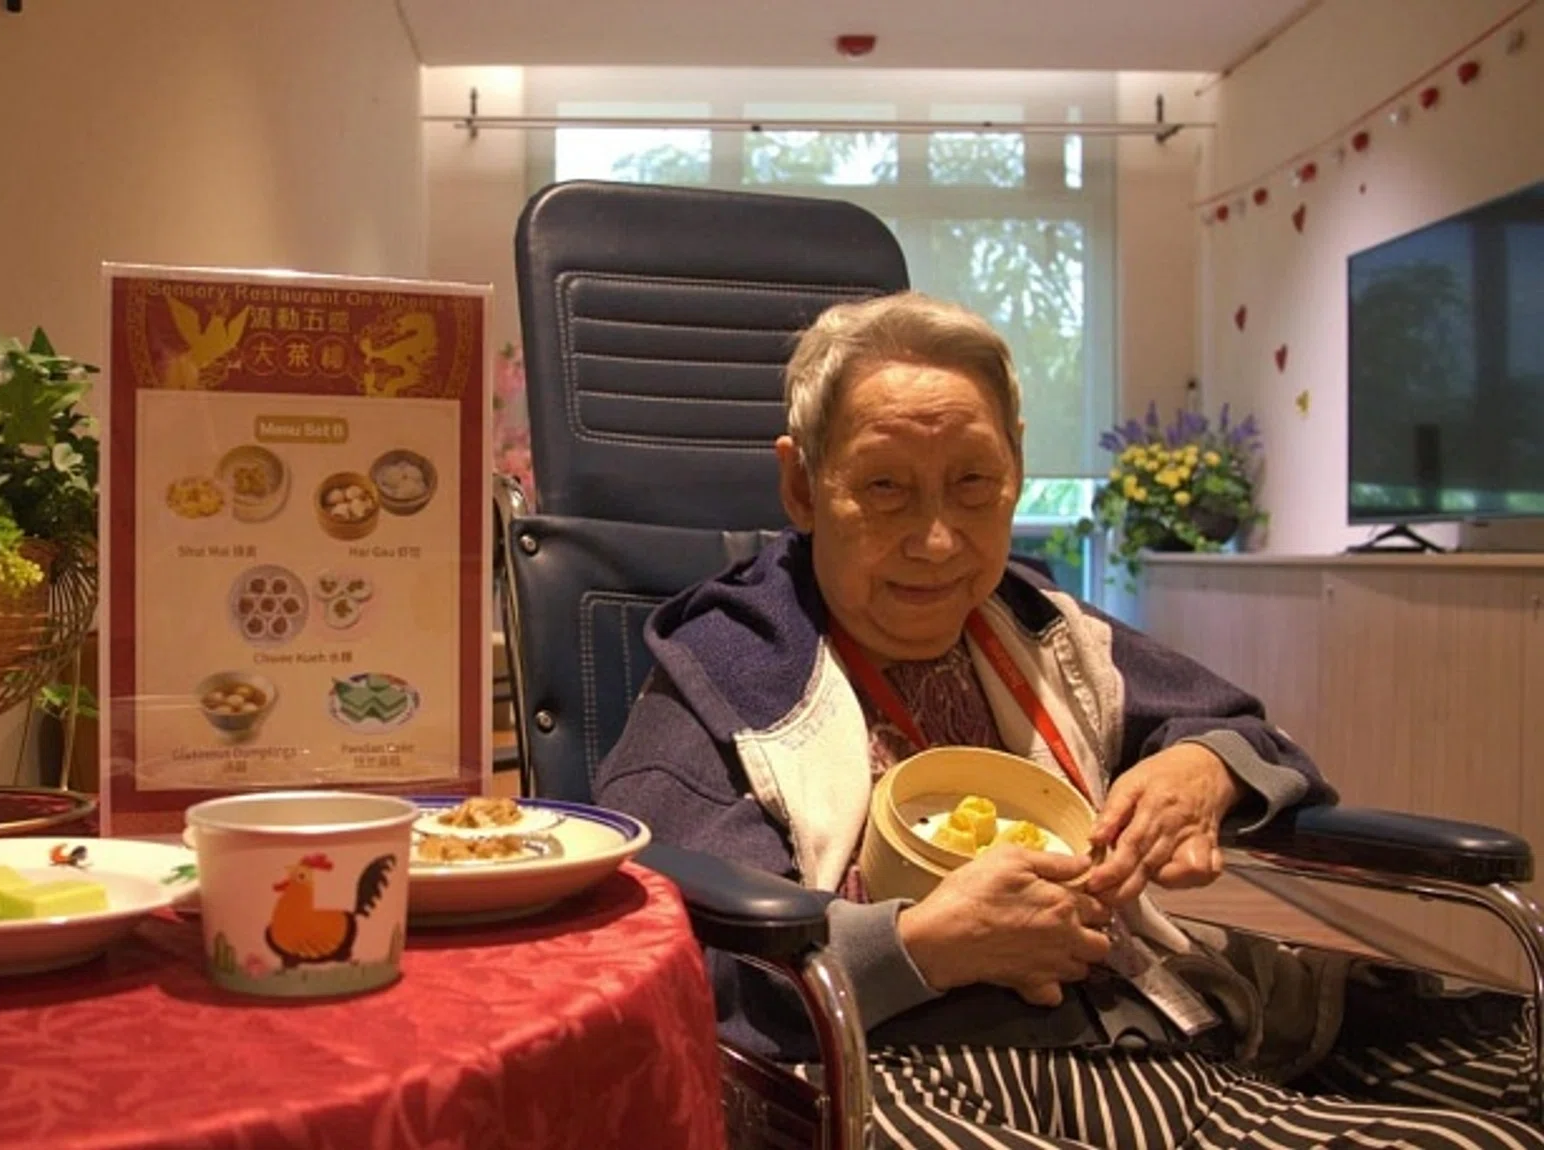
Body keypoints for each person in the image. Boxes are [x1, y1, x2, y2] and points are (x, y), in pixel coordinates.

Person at [594, 290, 1540, 1149]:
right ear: (803, 488)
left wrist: (1200, 771)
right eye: (884, 487)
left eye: (974, 483)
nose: (937, 540)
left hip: (1171, 1007)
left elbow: (1243, 732)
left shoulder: (1039, 622)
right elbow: (666, 949)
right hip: (949, 1066)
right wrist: (919, 947)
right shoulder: (727, 667)